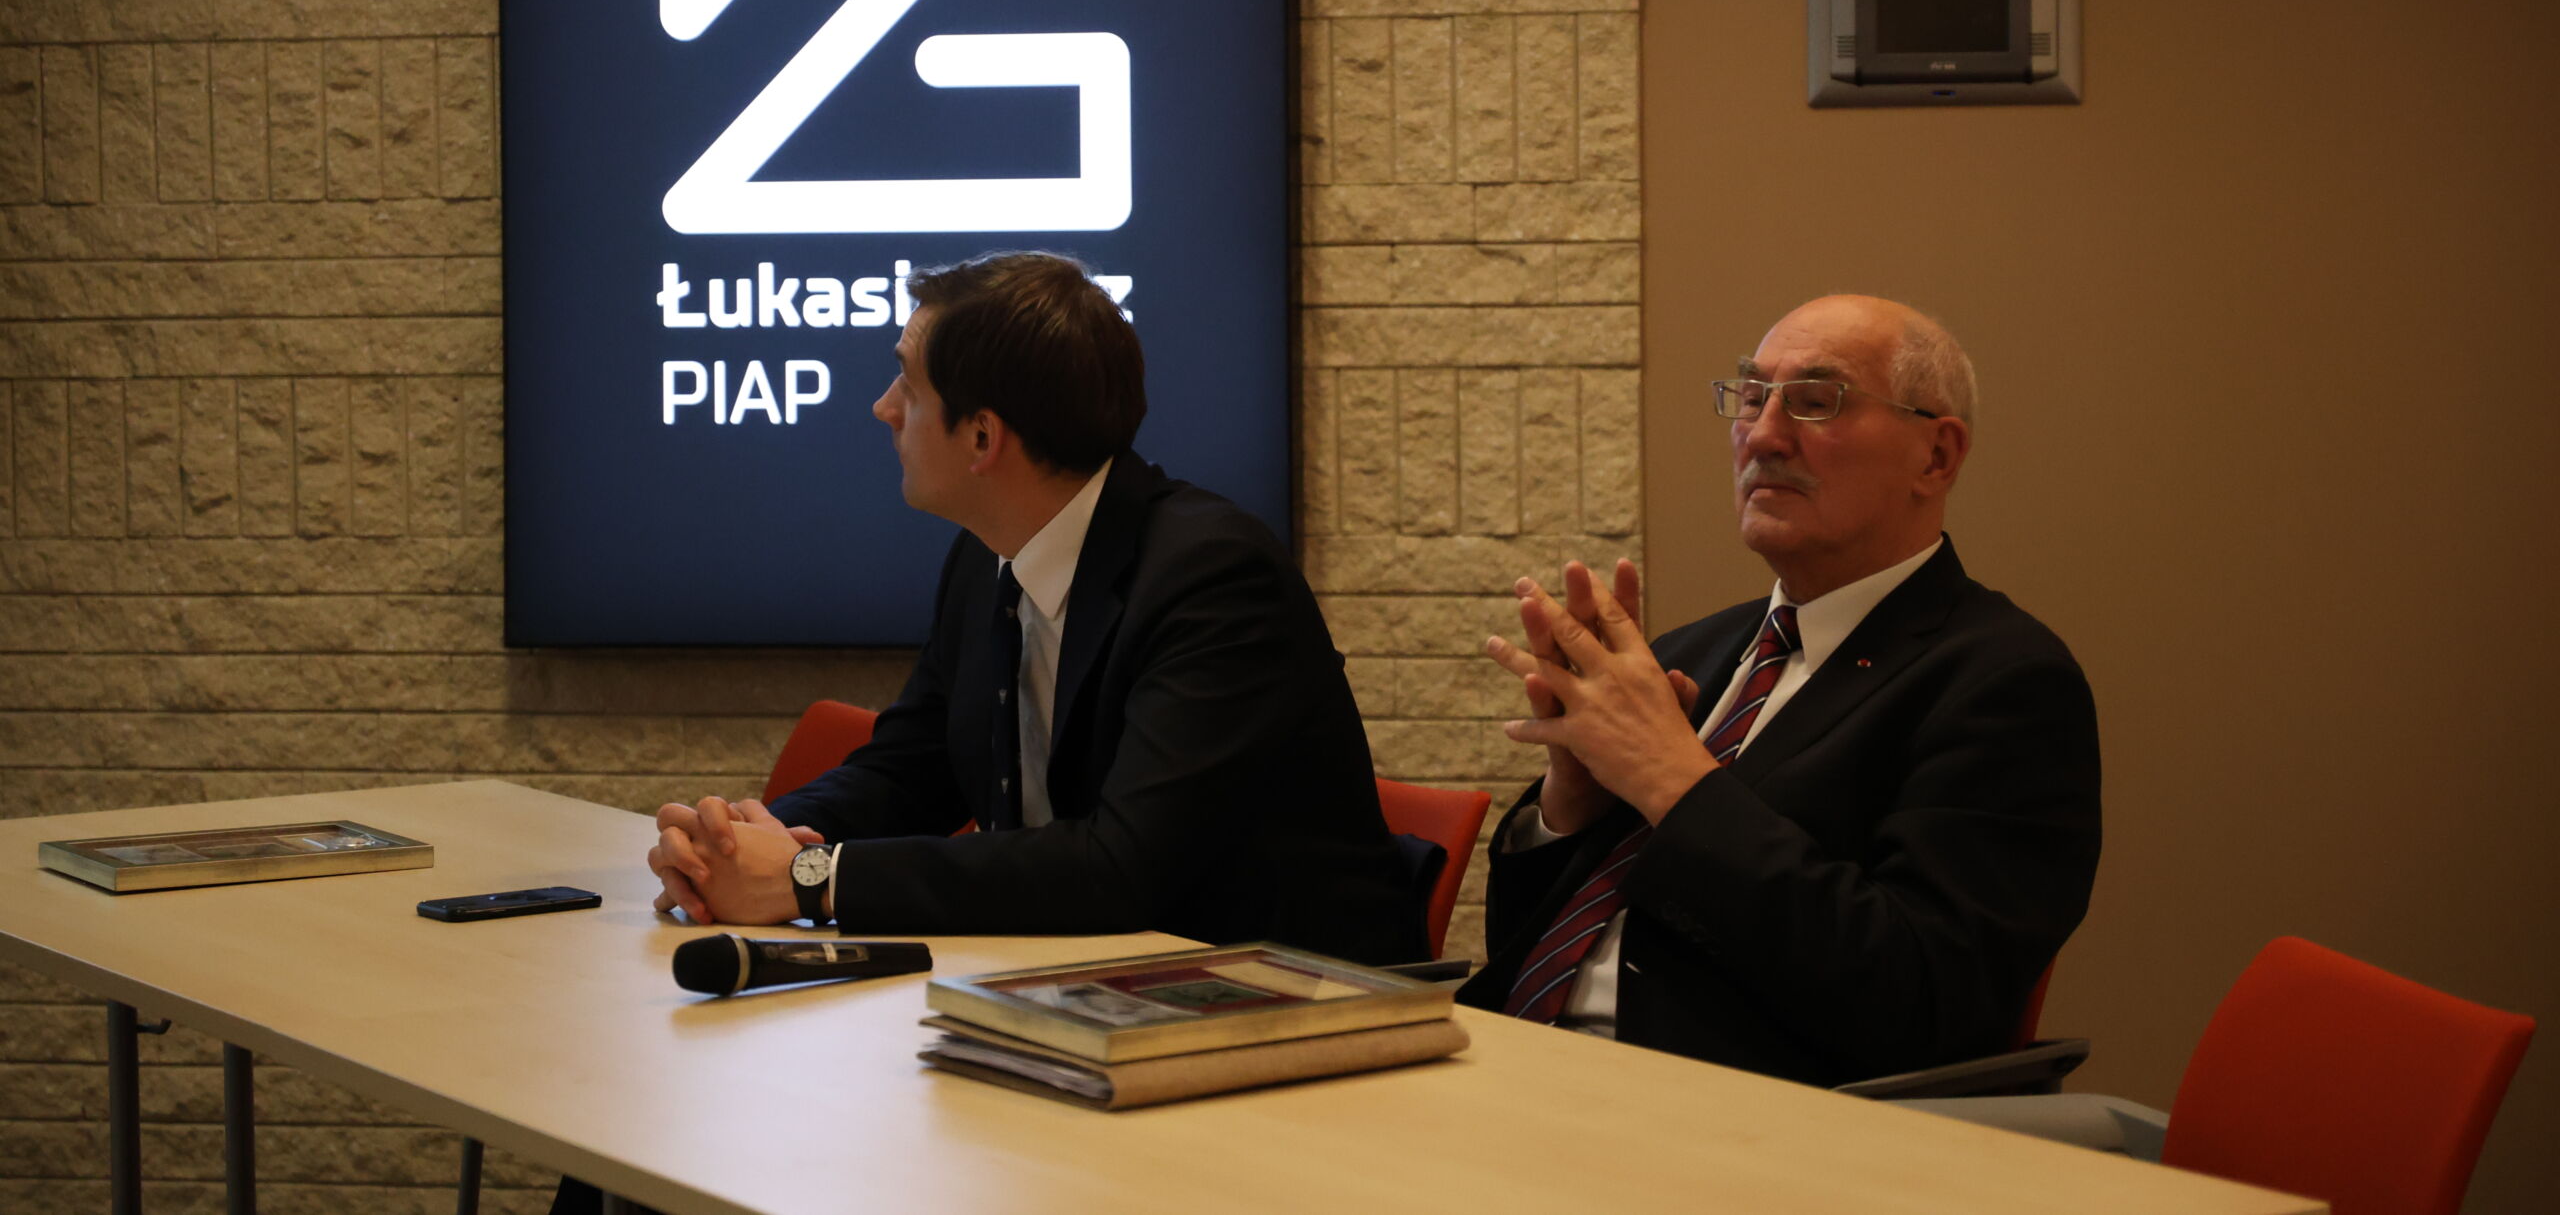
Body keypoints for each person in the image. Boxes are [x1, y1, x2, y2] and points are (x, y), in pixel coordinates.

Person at [646, 251, 1425, 965]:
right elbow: (910, 769)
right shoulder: (985, 554)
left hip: (1289, 1001)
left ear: (982, 437)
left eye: (908, 386)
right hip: (1087, 983)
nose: (883, 407)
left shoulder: (1215, 580)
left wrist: (812, 877)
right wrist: (735, 842)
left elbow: (1121, 867)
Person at [1455, 294, 2101, 1087]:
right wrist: (1571, 802)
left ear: (1936, 455)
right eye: (1752, 396)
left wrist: (1673, 782)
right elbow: (1519, 945)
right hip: (1516, 1069)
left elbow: (1921, 1003)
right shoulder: (1691, 653)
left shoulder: (2005, 683)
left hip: (1730, 1115)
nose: (1761, 434)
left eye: (1816, 400)